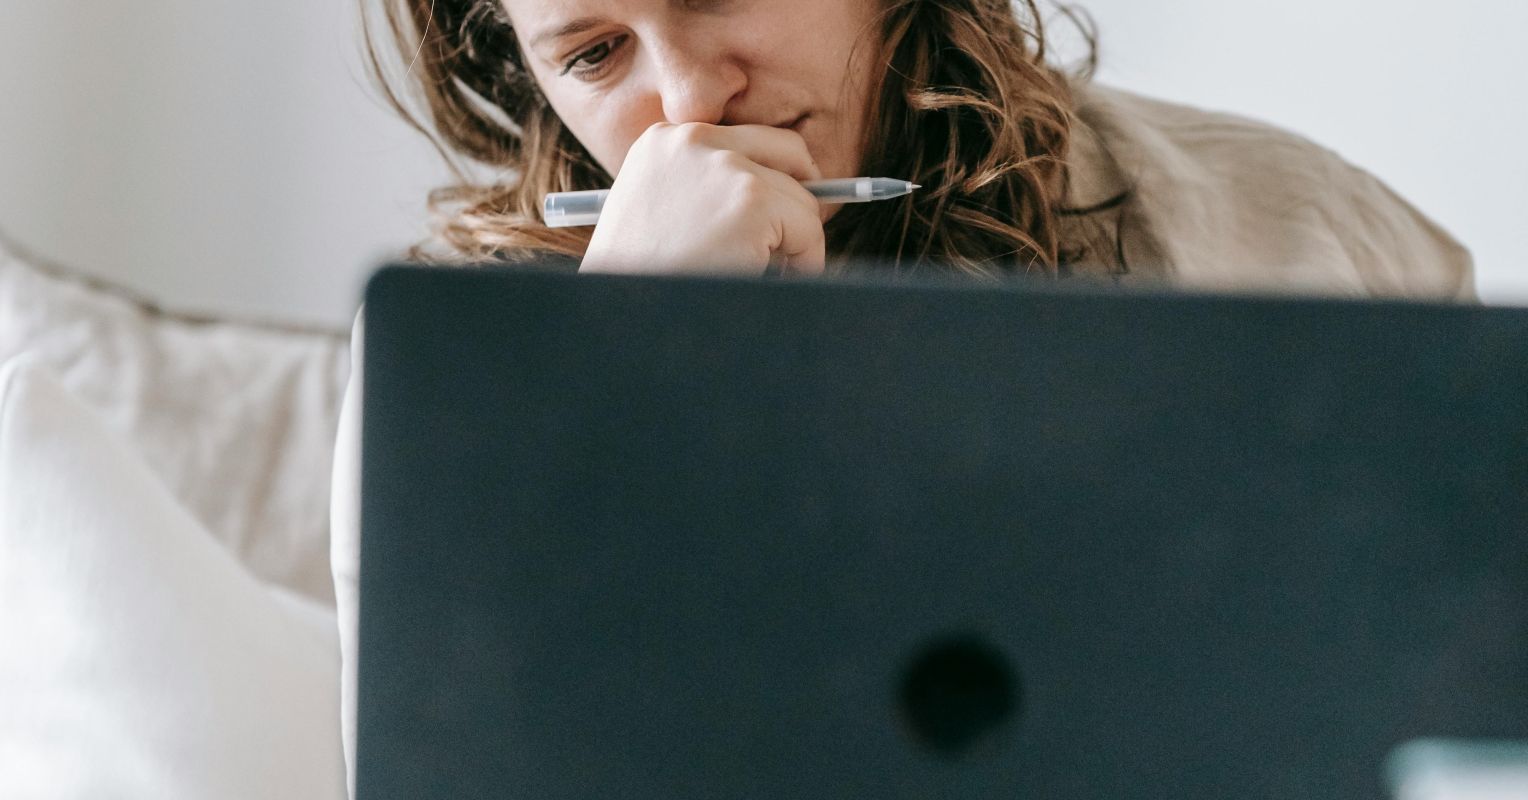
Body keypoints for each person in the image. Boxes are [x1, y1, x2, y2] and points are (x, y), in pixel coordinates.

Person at [332, 0, 1476, 793]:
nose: (687, 102)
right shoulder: (445, 381)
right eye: (593, 54)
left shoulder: (1299, 225)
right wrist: (620, 366)